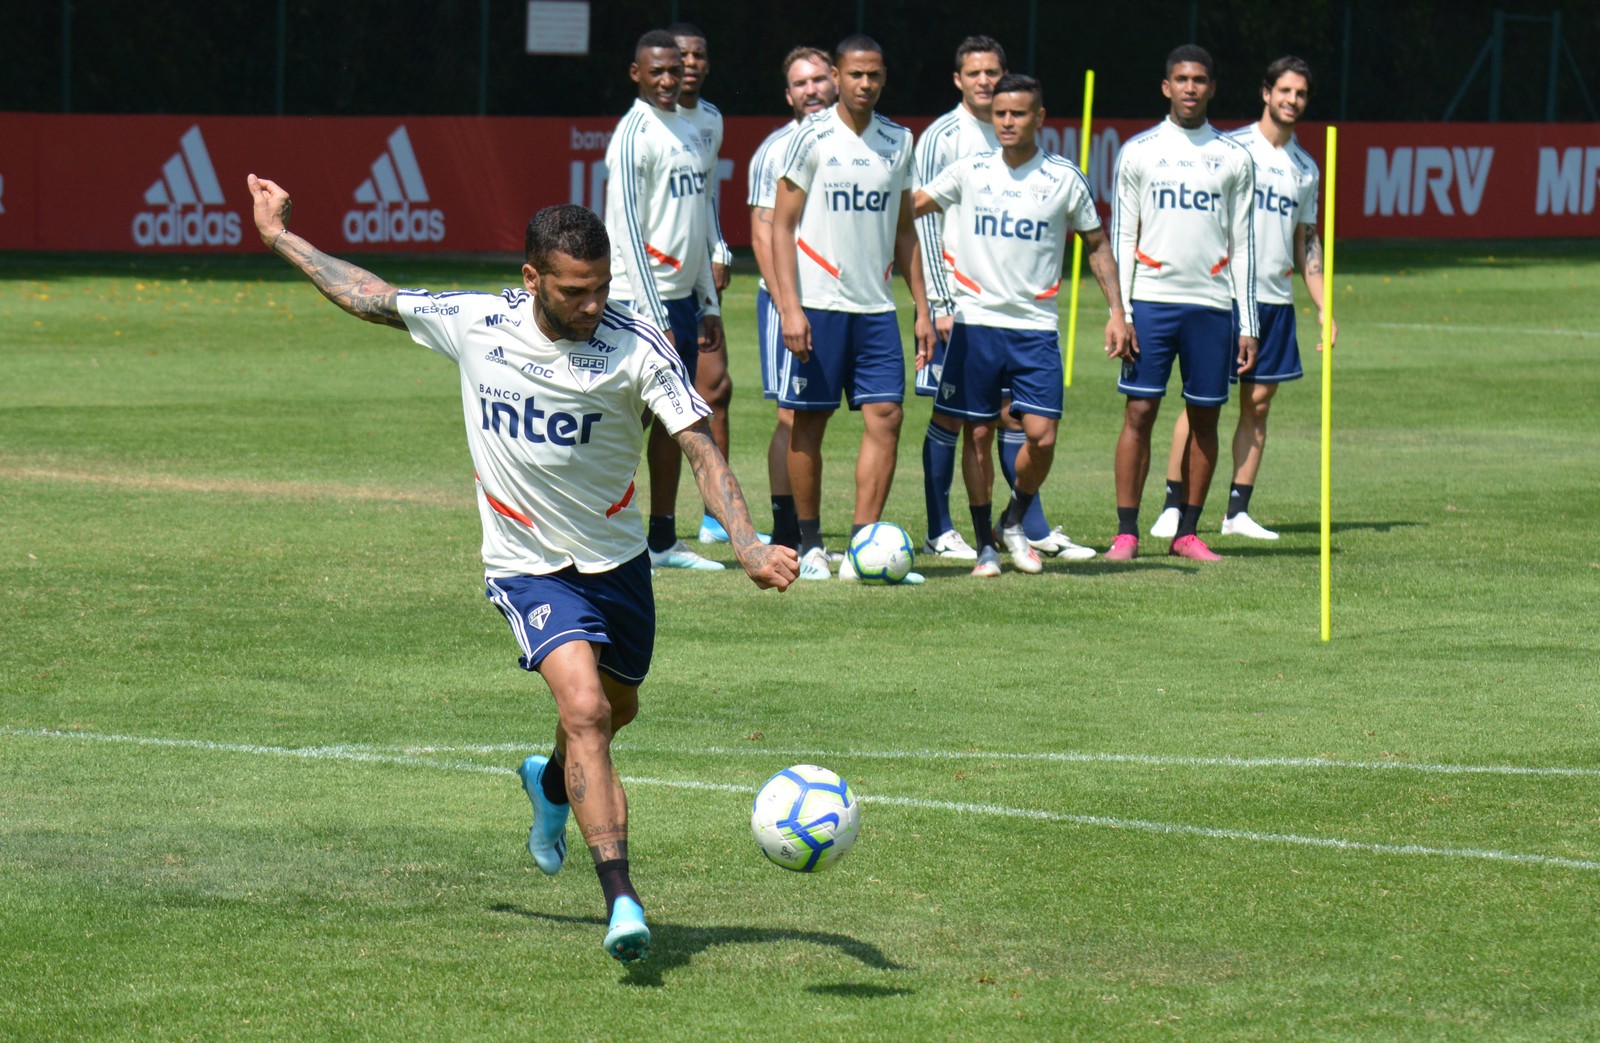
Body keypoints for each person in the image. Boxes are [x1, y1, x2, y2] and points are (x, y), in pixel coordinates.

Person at [245, 175, 797, 964]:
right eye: (575, 291)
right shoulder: (478, 321)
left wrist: (744, 540)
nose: (592, 304)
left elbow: (700, 445)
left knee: (614, 709)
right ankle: (623, 901)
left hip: (618, 563)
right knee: (586, 711)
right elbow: (371, 293)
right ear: (532, 279)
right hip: (526, 563)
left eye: (603, 287)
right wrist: (278, 237)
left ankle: (547, 787)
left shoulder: (636, 344)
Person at [913, 74, 1131, 576]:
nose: (1007, 121)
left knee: (1043, 435)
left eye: (1019, 113)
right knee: (978, 435)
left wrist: (1118, 313)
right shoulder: (969, 170)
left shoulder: (1062, 177)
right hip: (975, 324)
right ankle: (985, 544)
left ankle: (1014, 519)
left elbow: (1096, 242)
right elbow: (913, 207)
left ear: (1039, 118)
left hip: (1035, 328)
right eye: (1001, 113)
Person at [770, 34, 937, 581]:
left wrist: (922, 307)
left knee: (887, 416)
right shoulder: (811, 137)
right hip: (817, 306)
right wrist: (790, 309)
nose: (865, 84)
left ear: (883, 78)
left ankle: (864, 545)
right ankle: (813, 543)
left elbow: (905, 231)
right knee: (808, 423)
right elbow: (782, 225)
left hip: (875, 310)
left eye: (875, 75)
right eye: (855, 74)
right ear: (836, 77)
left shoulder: (899, 140)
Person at [1149, 54, 1336, 542]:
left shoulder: (1305, 169)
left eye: (1301, 94)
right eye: (1285, 91)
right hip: (1225, 294)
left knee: (1259, 403)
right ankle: (1173, 503)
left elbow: (1307, 242)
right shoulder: (1230, 150)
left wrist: (1323, 305)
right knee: (1200, 401)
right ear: (1265, 93)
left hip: (1275, 298)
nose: (1292, 100)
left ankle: (1237, 511)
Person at [1106, 44, 1258, 562]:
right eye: (1181, 79)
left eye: (1199, 80)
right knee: (1140, 410)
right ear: (1166, 86)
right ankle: (1126, 532)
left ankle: (1187, 532)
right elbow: (1122, 237)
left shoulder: (1235, 157)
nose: (1190, 88)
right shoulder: (1139, 151)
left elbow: (1244, 244)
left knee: (1206, 417)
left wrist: (1249, 322)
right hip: (1150, 302)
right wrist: (1119, 312)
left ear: (1212, 87)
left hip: (1212, 307)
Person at [603, 29, 726, 571]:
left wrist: (708, 305)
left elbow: (699, 218)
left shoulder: (694, 126)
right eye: (657, 71)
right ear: (637, 74)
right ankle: (601, 526)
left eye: (675, 70)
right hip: (637, 301)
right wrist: (656, 317)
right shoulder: (633, 135)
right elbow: (627, 231)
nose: (669, 79)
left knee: (675, 419)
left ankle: (661, 540)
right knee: (628, 420)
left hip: (681, 299)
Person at [748, 46, 839, 550]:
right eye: (801, 84)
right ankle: (788, 530)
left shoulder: (849, 141)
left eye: (820, 80)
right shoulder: (776, 149)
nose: (812, 90)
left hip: (838, 300)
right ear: (788, 95)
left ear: (837, 82)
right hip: (790, 300)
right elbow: (763, 232)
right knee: (790, 412)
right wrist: (787, 305)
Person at [666, 22, 742, 546]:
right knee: (646, 408)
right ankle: (639, 518)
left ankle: (714, 517)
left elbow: (705, 199)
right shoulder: (645, 126)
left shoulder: (711, 118)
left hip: (696, 280)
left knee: (714, 387)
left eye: (699, 56)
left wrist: (716, 250)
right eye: (681, 57)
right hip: (651, 283)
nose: (690, 65)